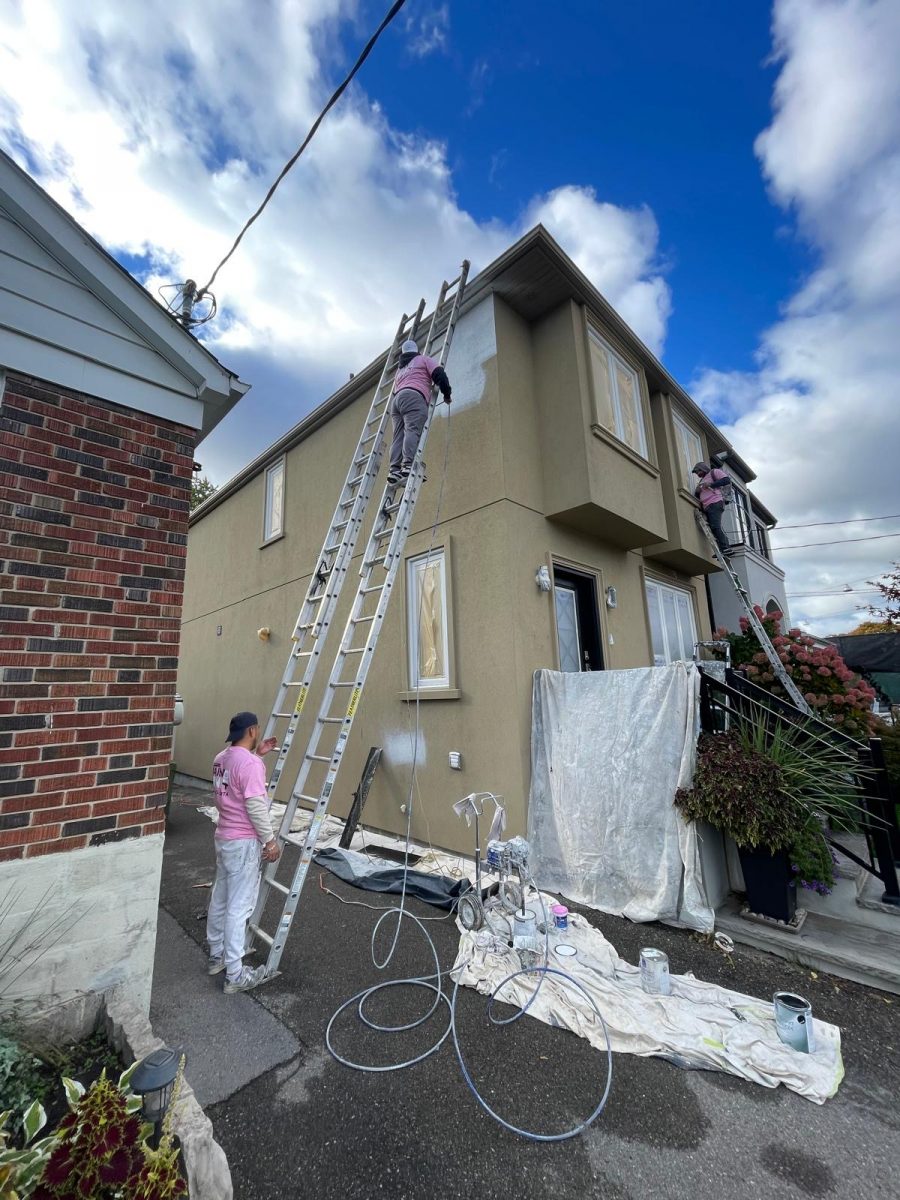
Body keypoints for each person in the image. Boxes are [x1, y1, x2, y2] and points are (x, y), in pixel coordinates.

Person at [206, 711, 281, 994]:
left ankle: (217, 956)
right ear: (252, 730)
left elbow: (234, 781)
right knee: (238, 908)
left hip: (224, 837)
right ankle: (235, 975)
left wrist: (258, 754)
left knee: (221, 899)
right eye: (257, 729)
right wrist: (270, 841)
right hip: (243, 842)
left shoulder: (220, 758)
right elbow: (254, 805)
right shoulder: (249, 764)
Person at [387, 339, 452, 486]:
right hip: (414, 396)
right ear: (416, 350)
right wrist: (447, 395)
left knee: (398, 436)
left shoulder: (400, 370)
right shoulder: (423, 360)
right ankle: (407, 466)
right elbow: (440, 375)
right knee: (412, 430)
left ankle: (394, 470)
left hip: (396, 401)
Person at [692, 461, 733, 556]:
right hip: (707, 507)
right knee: (714, 528)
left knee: (715, 526)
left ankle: (726, 548)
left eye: (698, 471)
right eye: (696, 473)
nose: (697, 474)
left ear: (702, 469)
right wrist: (698, 491)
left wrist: (710, 484)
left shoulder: (714, 472)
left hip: (715, 503)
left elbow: (726, 480)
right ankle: (722, 550)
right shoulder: (702, 481)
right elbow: (698, 495)